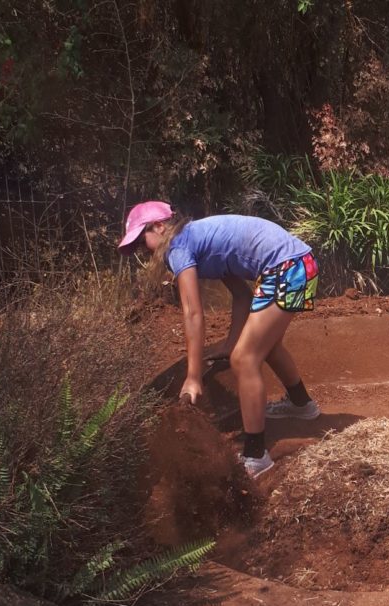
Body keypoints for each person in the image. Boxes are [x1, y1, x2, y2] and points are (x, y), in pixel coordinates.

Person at [118, 202, 321, 478]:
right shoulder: (202, 239)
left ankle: (255, 456)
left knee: (245, 358)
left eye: (143, 242)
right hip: (299, 265)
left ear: (159, 227)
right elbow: (241, 296)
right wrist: (229, 343)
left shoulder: (178, 247)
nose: (144, 251)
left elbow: (192, 313)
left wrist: (193, 376)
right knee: (266, 346)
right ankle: (301, 405)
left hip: (288, 269)